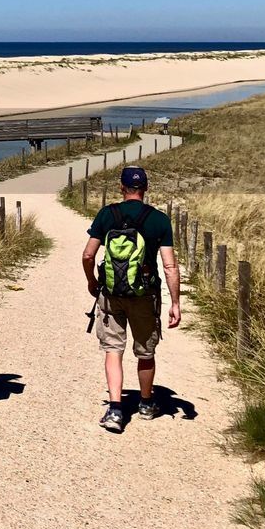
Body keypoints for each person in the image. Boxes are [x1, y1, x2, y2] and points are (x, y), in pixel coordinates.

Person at [81, 166, 182, 433]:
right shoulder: (159, 220)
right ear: (145, 188)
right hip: (145, 294)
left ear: (121, 187)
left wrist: (92, 282)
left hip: (111, 294)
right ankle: (146, 404)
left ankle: (115, 410)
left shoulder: (107, 214)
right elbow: (170, 266)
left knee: (113, 349)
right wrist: (175, 302)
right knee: (146, 352)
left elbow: (88, 255)